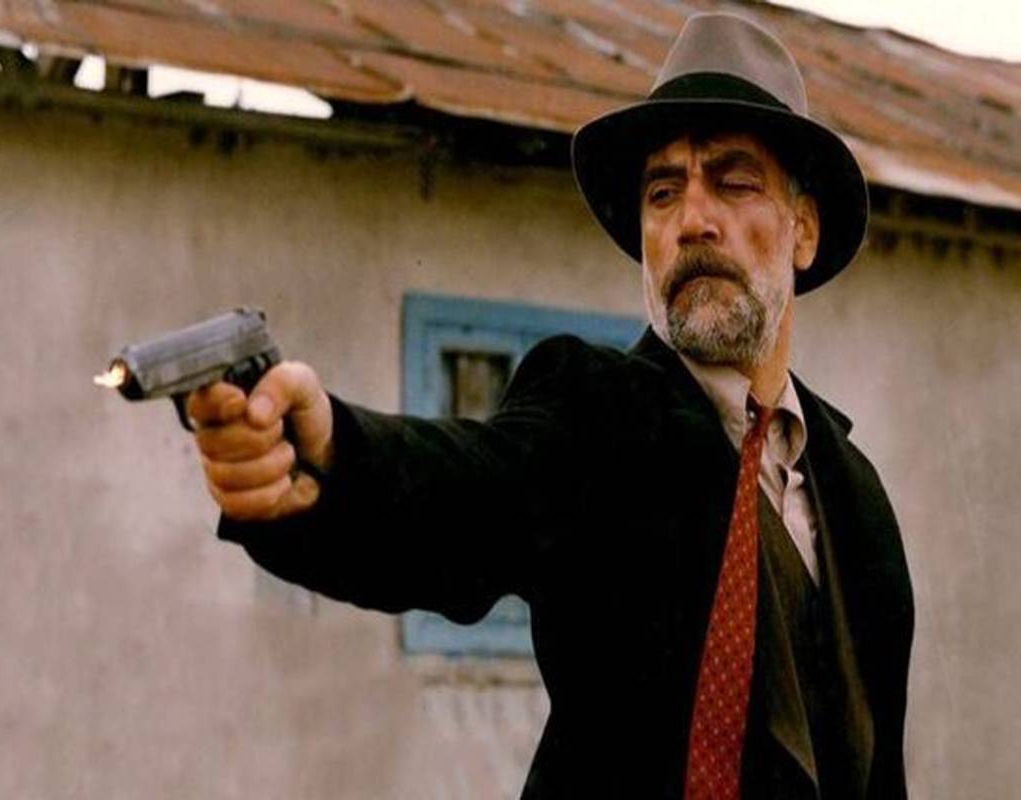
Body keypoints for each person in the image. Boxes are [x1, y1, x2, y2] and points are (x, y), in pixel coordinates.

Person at [186, 12, 913, 800]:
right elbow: (468, 490)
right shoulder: (596, 411)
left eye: (734, 182)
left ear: (802, 230)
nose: (692, 221)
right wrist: (325, 453)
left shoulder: (856, 496)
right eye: (663, 192)